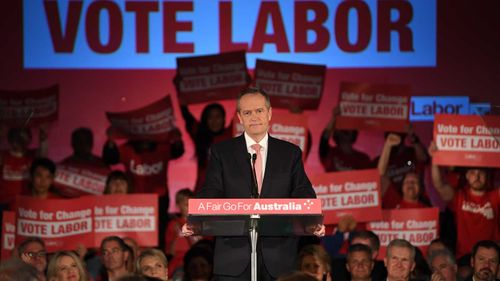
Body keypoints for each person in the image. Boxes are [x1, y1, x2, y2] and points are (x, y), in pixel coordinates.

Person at [182, 88, 324, 280]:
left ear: (269, 113)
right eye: (247, 112)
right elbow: (211, 192)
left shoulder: (290, 153)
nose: (254, 117)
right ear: (240, 117)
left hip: (279, 258)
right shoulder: (221, 152)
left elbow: (303, 192)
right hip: (233, 257)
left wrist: (311, 221)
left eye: (259, 111)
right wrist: (195, 220)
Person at [428, 142, 500, 261]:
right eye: (472, 173)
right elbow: (439, 184)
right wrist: (434, 158)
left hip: (491, 257)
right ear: (466, 176)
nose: (477, 177)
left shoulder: (494, 196)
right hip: (465, 256)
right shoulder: (459, 196)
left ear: (487, 176)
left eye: (481, 173)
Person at [375, 131, 429, 209]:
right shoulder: (394, 201)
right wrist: (388, 145)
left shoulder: (411, 154)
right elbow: (380, 175)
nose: (410, 184)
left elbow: (423, 159)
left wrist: (412, 136)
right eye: (407, 182)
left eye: (414, 182)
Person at [0, 126, 48, 209]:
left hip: (26, 202)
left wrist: (43, 139)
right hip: (5, 202)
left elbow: (42, 155)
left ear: (29, 139)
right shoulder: (3, 155)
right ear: (10, 139)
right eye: (16, 138)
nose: (19, 142)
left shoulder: (32, 155)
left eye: (22, 138)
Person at [319, 106, 372, 172]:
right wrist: (334, 117)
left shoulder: (364, 159)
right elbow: (324, 138)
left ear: (354, 132)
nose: (345, 129)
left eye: (348, 127)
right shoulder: (329, 153)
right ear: (335, 132)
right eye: (341, 126)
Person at [165, 188, 200, 276]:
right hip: (178, 263)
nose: (191, 208)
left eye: (193, 204)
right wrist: (177, 234)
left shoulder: (200, 224)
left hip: (196, 262)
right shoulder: (174, 224)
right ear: (178, 205)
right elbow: (169, 252)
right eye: (187, 205)